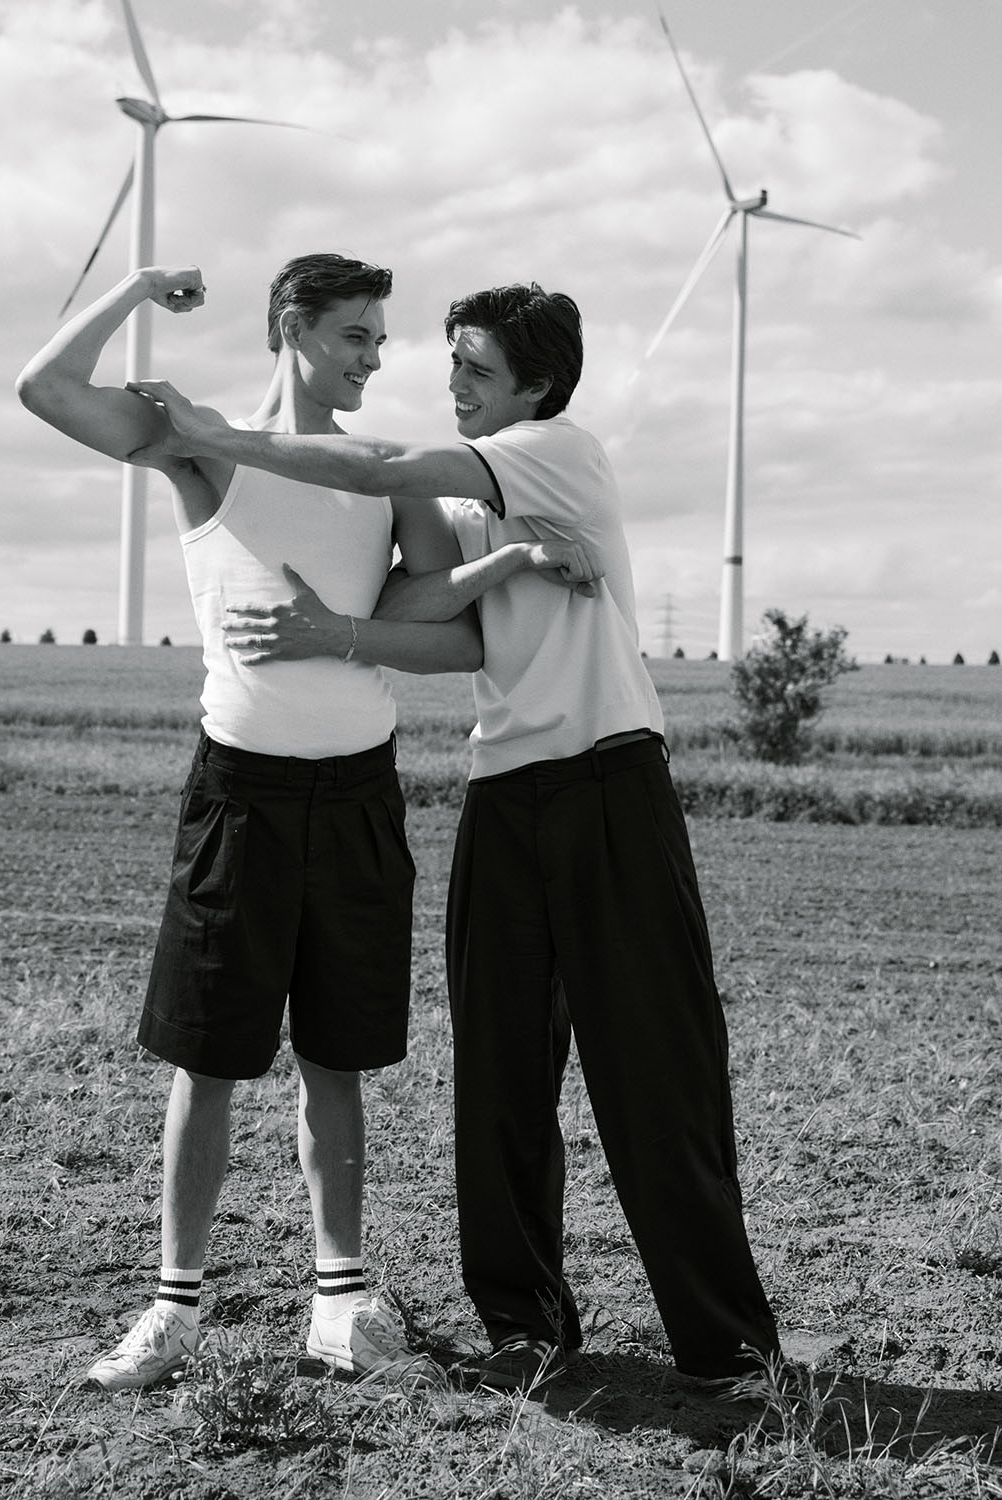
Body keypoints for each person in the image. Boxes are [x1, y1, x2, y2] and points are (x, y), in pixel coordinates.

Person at [125, 280, 781, 1393]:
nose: (453, 384)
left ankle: (727, 1349)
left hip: (611, 785)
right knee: (499, 1080)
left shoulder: (556, 452)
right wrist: (366, 618)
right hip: (503, 795)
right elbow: (427, 618)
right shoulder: (471, 502)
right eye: (452, 364)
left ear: (537, 384)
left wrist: (209, 434)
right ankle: (527, 1329)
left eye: (476, 368)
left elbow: (379, 466)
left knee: (655, 1070)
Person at [15, 257, 592, 1393]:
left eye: (380, 339)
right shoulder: (205, 444)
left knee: (339, 1058)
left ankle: (339, 1304)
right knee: (209, 1061)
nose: (375, 358)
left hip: (360, 795)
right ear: (293, 328)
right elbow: (46, 390)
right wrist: (136, 289)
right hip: (242, 794)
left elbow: (435, 617)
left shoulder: (388, 477)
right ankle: (172, 1310)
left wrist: (503, 560)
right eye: (354, 336)